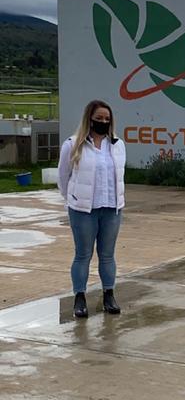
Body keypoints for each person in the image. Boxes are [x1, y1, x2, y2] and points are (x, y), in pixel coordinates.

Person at [58, 100, 126, 318]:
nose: (103, 122)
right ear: (90, 119)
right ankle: (79, 297)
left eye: (107, 119)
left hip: (111, 209)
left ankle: (109, 295)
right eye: (99, 118)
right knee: (83, 254)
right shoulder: (72, 144)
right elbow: (63, 177)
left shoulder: (117, 145)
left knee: (107, 255)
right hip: (83, 210)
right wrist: (74, 199)